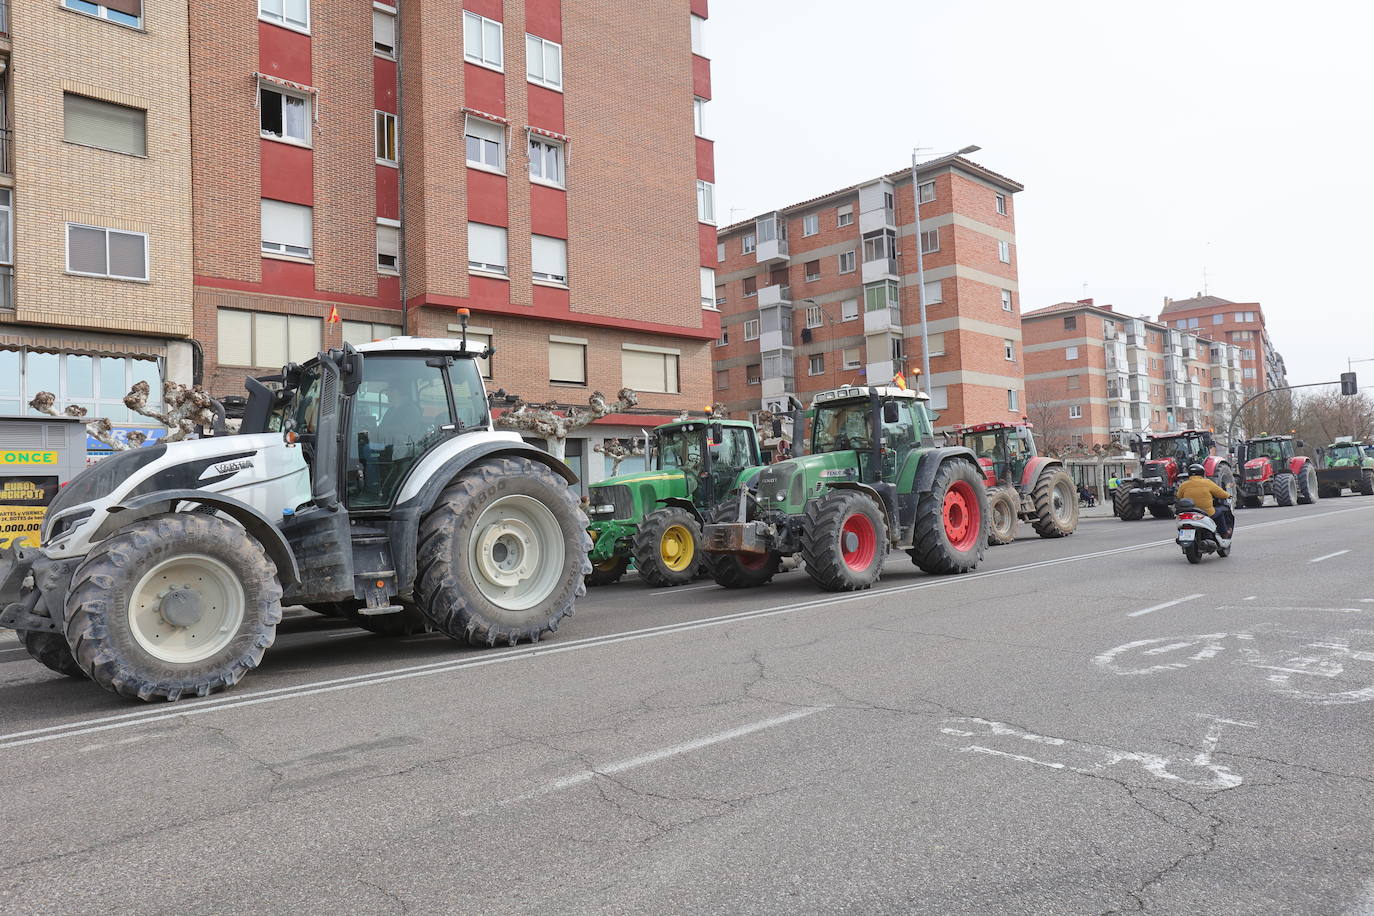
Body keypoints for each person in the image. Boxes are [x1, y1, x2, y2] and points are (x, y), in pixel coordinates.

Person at [1176, 463, 1233, 538]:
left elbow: (1179, 496)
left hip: (1190, 513)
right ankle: (1224, 533)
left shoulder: (1184, 485)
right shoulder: (1208, 482)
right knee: (1220, 512)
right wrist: (1229, 495)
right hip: (1207, 512)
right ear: (1202, 473)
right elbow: (1221, 493)